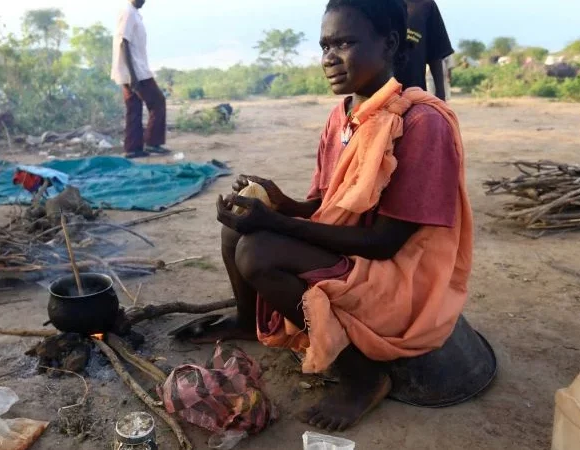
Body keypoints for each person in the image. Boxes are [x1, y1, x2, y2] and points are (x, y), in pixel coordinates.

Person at [192, 0, 474, 432]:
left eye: (345, 42)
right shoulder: (343, 114)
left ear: (389, 44)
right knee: (238, 232)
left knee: (258, 253)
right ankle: (249, 320)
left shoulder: (420, 123)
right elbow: (325, 206)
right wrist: (279, 202)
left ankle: (363, 377)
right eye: (325, 45)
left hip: (397, 275)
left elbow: (386, 242)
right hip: (353, 250)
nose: (329, 57)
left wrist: (274, 223)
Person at [111, 0, 170, 158]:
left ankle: (133, 148)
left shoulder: (133, 13)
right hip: (135, 71)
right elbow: (123, 42)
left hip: (131, 70)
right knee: (157, 102)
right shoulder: (128, 12)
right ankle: (152, 143)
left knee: (134, 107)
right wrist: (133, 75)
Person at [394, 0, 453, 100]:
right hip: (380, 95)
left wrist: (441, 95)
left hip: (415, 94)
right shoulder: (379, 3)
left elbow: (435, 53)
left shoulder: (426, 5)